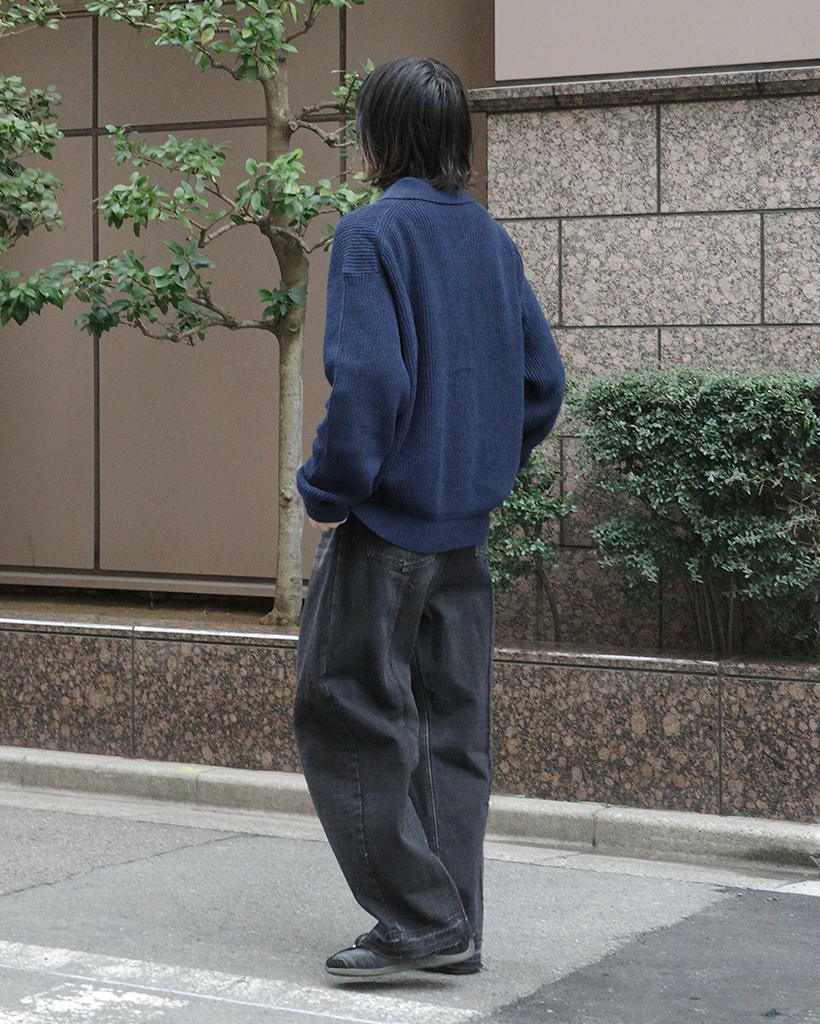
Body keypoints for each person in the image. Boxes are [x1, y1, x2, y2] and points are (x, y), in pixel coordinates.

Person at [294, 56, 565, 980]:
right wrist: (478, 466)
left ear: (378, 138)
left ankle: (419, 920)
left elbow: (369, 382)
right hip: (465, 532)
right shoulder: (490, 239)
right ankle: (455, 925)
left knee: (346, 711)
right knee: (453, 731)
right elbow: (543, 382)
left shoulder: (371, 233)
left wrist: (328, 491)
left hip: (386, 530)